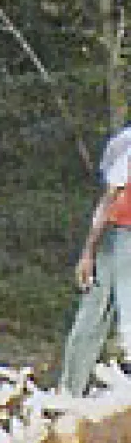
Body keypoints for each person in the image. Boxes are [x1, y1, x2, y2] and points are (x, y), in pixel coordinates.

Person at [58, 124, 131, 395]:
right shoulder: (124, 144)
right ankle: (70, 391)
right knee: (94, 313)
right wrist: (89, 250)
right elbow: (110, 197)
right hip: (118, 235)